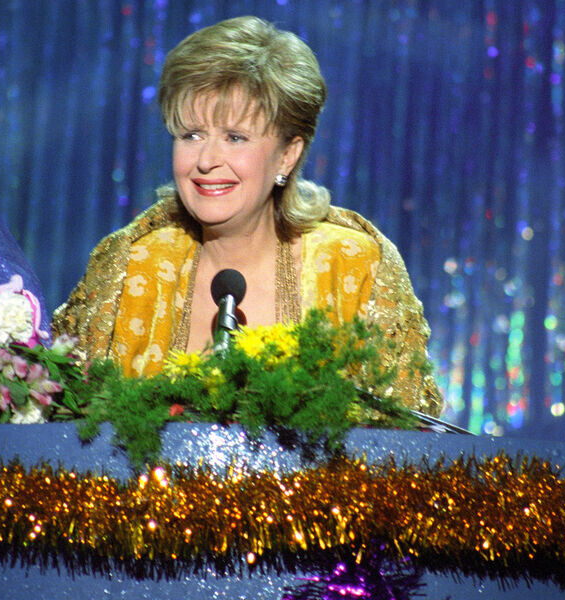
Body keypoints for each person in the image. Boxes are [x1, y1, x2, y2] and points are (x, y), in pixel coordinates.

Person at [52, 16, 442, 416]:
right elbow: (61, 422)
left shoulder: (355, 268)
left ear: (287, 155)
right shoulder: (131, 266)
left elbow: (405, 437)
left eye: (235, 137)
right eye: (191, 135)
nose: (206, 160)